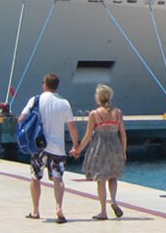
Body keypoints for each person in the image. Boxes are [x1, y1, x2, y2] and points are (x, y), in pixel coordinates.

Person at [19, 73, 79, 223]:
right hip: (57, 148)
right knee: (57, 178)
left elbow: (22, 118)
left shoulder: (36, 100)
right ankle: (59, 207)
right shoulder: (64, 103)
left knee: (35, 177)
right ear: (57, 86)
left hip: (38, 145)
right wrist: (75, 145)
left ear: (45, 84)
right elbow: (72, 127)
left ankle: (35, 210)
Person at [70, 84, 127, 220]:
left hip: (100, 148)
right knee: (113, 176)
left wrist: (77, 149)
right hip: (115, 146)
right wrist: (124, 151)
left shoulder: (94, 114)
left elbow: (88, 136)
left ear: (98, 98)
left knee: (100, 180)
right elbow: (123, 134)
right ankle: (113, 201)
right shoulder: (117, 113)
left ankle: (103, 211)